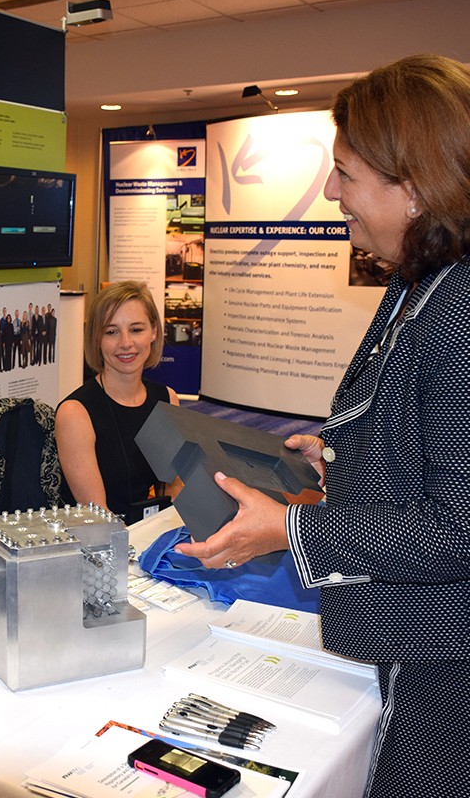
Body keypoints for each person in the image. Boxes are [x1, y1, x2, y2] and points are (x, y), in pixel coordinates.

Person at [176, 55, 470, 797]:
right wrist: (355, 457)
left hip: (445, 662)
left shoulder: (459, 312)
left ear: (414, 184)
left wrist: (290, 531)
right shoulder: (421, 284)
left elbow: (460, 528)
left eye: (346, 172)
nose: (332, 191)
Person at [55, 280, 181, 518]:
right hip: (101, 541)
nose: (125, 343)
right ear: (96, 339)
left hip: (151, 531)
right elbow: (99, 518)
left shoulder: (167, 399)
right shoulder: (75, 413)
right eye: (112, 332)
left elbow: (174, 487)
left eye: (136, 329)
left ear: (154, 331)